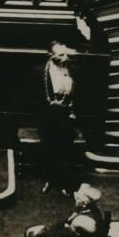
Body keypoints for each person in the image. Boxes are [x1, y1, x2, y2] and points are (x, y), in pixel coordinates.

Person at [39, 41, 78, 195]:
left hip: (66, 114)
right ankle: (48, 179)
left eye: (66, 53)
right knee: (48, 148)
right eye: (60, 55)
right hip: (47, 115)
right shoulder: (40, 72)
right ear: (50, 55)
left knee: (66, 149)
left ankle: (66, 182)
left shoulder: (73, 69)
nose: (65, 57)